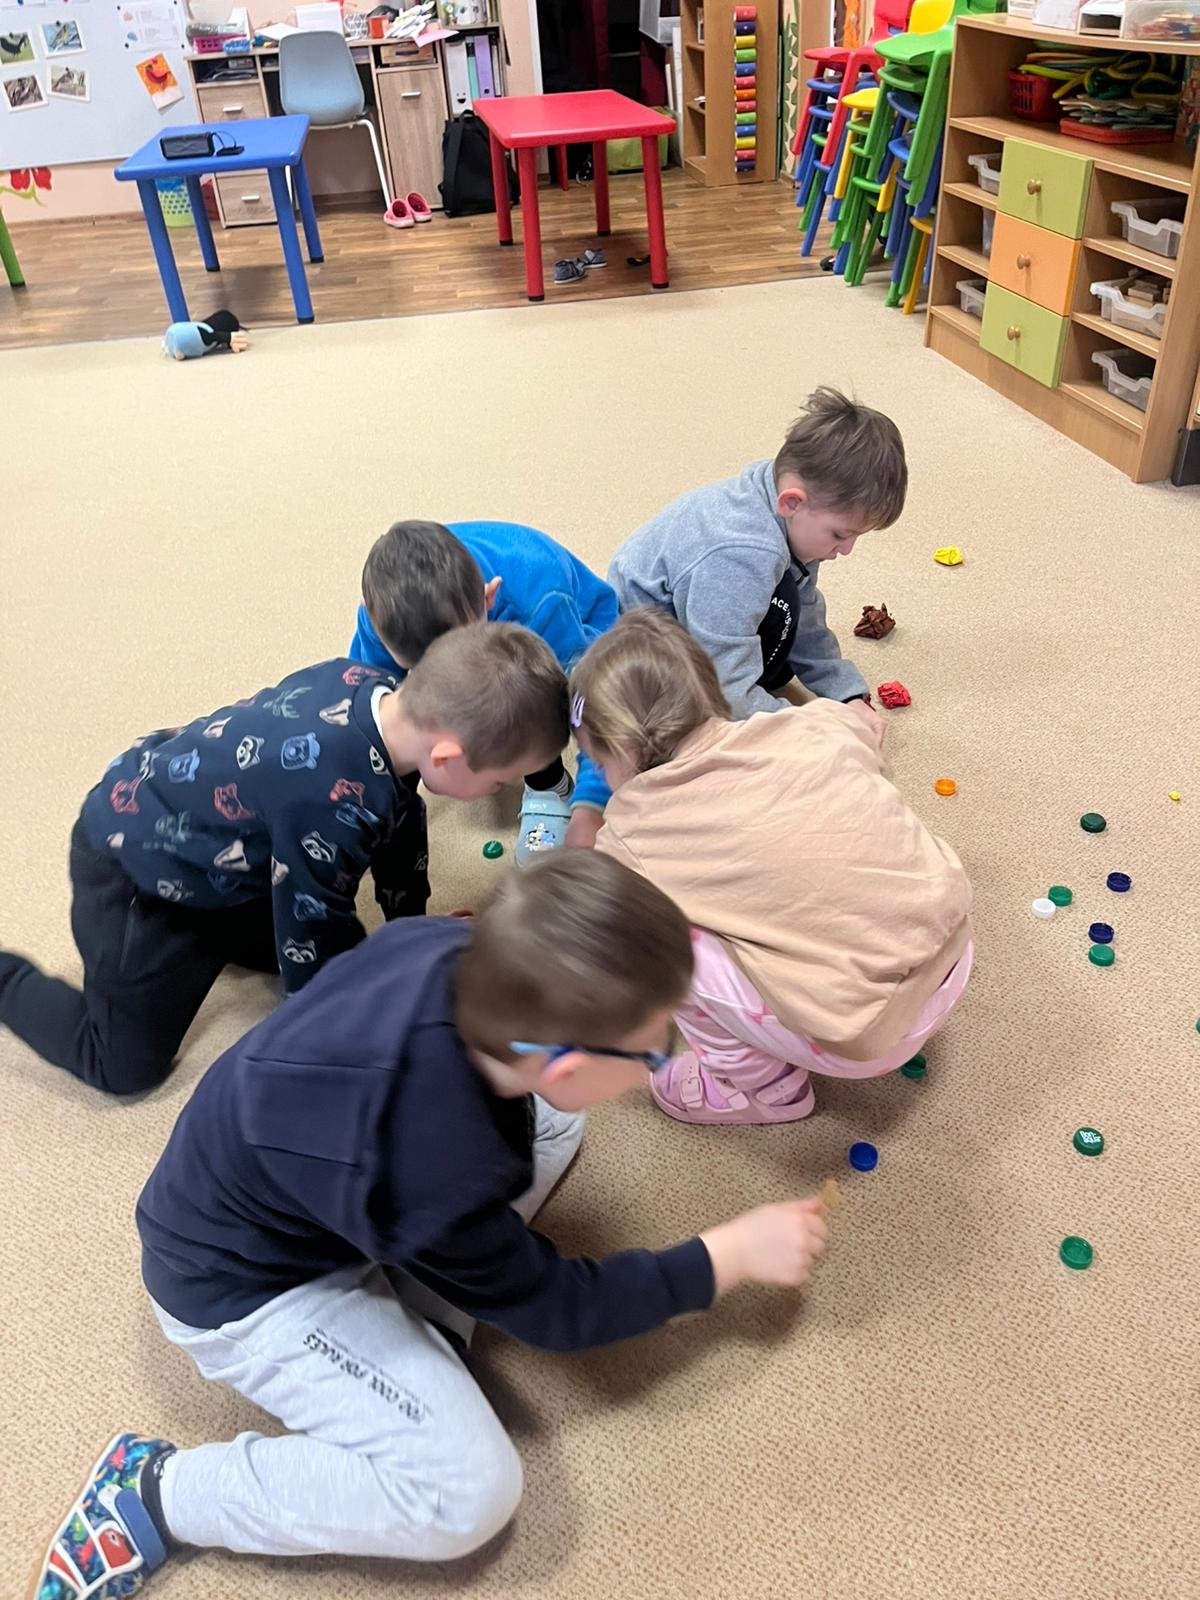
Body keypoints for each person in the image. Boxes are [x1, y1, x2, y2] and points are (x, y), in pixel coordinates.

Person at [30, 853, 830, 1593]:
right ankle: (157, 1494)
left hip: (311, 1187)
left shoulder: (442, 946)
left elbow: (468, 1131)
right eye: (651, 1052)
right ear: (566, 1062)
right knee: (470, 1491)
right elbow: (562, 1310)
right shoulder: (436, 1166)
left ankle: (422, 1325)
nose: (664, 1058)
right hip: (237, 1293)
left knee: (554, 1123)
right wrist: (725, 1256)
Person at [0, 624, 567, 1097]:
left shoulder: (377, 692)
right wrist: (340, 1044)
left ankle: (223, 927)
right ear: (448, 756)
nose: (501, 790)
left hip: (227, 850)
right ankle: (7, 980)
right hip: (135, 867)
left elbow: (400, 819)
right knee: (122, 1067)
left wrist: (410, 931)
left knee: (345, 950)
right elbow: (310, 937)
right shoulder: (329, 804)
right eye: (501, 780)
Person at [569, 610, 973, 1125]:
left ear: (623, 751)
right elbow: (860, 731)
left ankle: (763, 1091)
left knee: (659, 943)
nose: (603, 776)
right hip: (954, 947)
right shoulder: (808, 723)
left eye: (599, 763)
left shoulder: (630, 832)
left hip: (869, 1033)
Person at [607, 388, 907, 720]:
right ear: (791, 502)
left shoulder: (787, 508)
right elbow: (726, 685)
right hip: (637, 654)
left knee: (788, 612)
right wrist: (796, 726)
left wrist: (846, 692)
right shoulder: (742, 551)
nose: (847, 550)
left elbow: (805, 616)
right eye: (840, 535)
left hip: (702, 615)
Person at [349, 519, 617, 860]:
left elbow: (596, 706)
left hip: (580, 632)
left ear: (488, 597)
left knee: (524, 701)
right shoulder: (386, 615)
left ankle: (549, 786)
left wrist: (590, 807)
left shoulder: (540, 606)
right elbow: (369, 705)